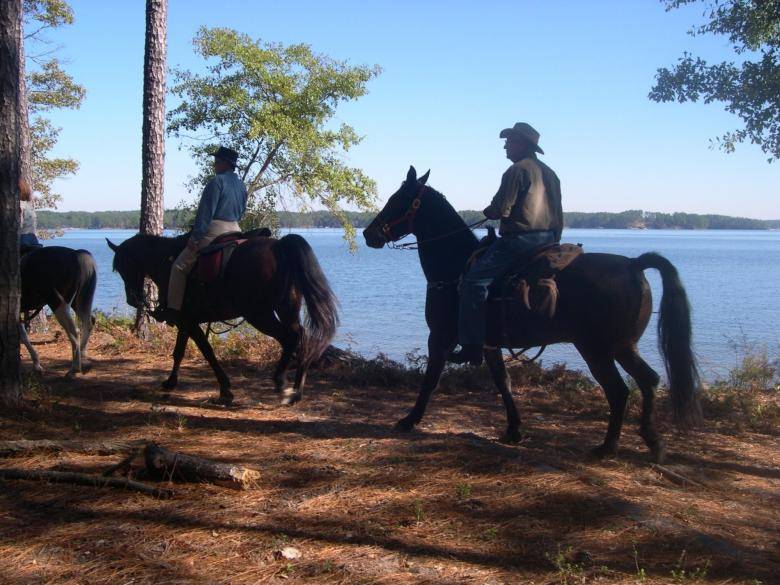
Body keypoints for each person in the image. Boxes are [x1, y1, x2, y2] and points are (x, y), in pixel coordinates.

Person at [449, 122, 563, 366]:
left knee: (473, 282)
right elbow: (559, 216)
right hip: (549, 240)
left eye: (509, 141)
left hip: (521, 240)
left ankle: (471, 346)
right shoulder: (550, 174)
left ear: (522, 144)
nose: (505, 146)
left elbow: (501, 209)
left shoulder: (517, 171)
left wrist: (489, 211)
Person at [154, 146, 248, 324]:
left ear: (225, 164)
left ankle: (173, 310)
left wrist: (195, 238)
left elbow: (206, 213)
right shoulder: (242, 186)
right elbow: (242, 212)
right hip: (236, 229)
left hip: (215, 229)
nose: (215, 164)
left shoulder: (216, 182)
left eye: (217, 161)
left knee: (179, 267)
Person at [19, 178, 42, 253]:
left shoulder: (19, 205)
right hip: (32, 238)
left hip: (22, 239)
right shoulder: (28, 205)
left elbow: (18, 225)